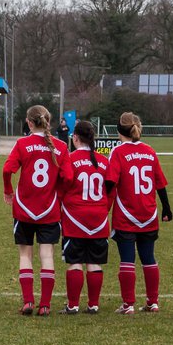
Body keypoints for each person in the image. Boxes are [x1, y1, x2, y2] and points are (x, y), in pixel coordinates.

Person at [2, 104, 73, 317]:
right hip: (49, 209)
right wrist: (58, 195)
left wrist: (8, 191)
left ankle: (28, 301)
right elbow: (68, 178)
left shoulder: (23, 143)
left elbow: (7, 169)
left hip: (24, 208)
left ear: (29, 123)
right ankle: (45, 304)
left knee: (25, 255)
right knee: (47, 256)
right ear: (48, 122)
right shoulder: (60, 146)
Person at [105, 111, 173, 314]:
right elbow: (160, 184)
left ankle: (128, 304)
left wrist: (101, 206)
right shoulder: (149, 151)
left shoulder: (117, 152)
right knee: (149, 258)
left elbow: (110, 181)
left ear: (119, 130)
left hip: (127, 214)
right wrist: (167, 208)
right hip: (149, 214)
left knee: (127, 259)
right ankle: (153, 302)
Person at [59, 120, 111, 315]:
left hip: (74, 218)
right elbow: (110, 189)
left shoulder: (69, 159)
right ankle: (93, 304)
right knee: (94, 262)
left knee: (75, 262)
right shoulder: (104, 160)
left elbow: (63, 186)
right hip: (98, 218)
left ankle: (73, 305)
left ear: (75, 138)